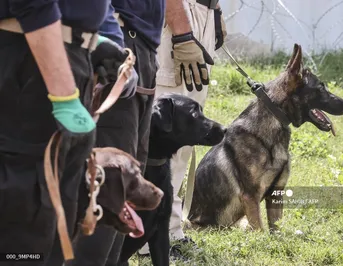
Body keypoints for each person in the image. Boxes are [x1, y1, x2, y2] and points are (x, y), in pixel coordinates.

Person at [0, 1, 116, 265]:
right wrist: (63, 94)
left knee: (56, 224)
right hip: (32, 63)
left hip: (62, 57)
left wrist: (90, 39)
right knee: (22, 233)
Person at [66, 1, 164, 265]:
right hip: (117, 46)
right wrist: (113, 45)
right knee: (106, 187)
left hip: (142, 49)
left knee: (126, 189)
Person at [136, 0, 227, 260]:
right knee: (168, 133)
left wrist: (215, 11)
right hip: (179, 15)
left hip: (200, 14)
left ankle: (170, 229)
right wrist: (182, 31)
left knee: (186, 139)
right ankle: (147, 236)